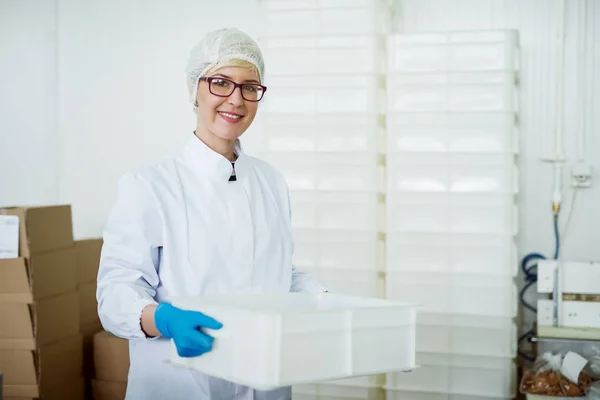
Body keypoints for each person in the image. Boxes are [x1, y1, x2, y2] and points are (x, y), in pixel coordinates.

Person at [96, 27, 327, 400]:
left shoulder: (271, 181)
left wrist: (323, 301)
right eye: (221, 82)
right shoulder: (148, 185)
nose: (235, 99)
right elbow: (115, 294)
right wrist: (164, 320)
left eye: (250, 87)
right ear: (195, 88)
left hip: (265, 379)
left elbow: (278, 272)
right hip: (180, 384)